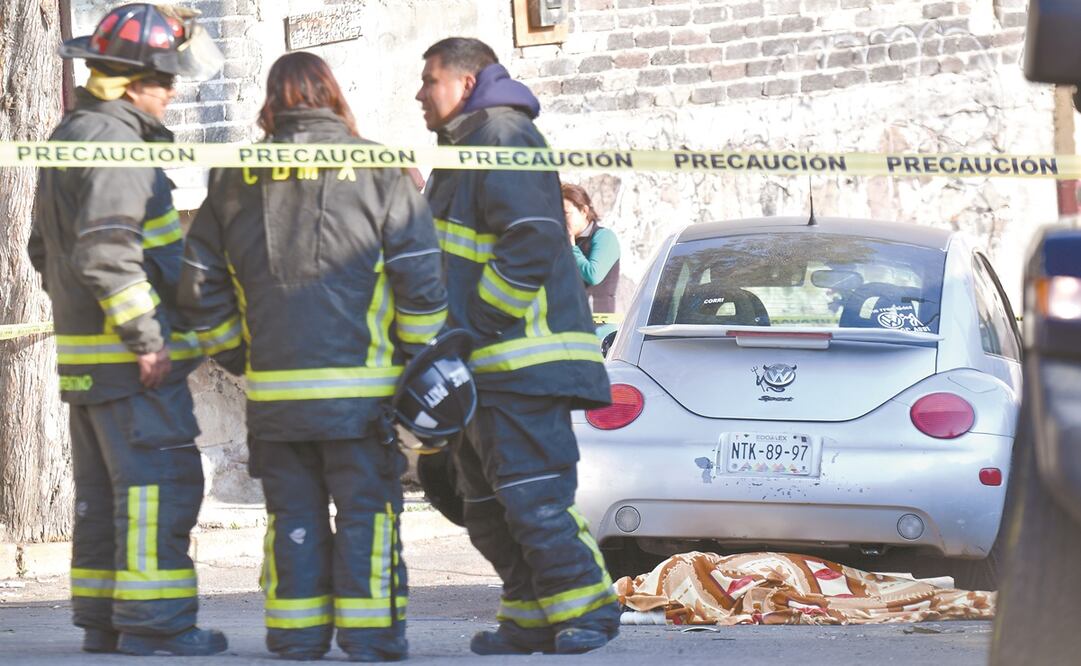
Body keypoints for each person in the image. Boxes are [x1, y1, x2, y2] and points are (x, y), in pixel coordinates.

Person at [178, 52, 447, 662]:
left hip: (276, 395)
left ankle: (297, 637)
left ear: (271, 102)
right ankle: (371, 637)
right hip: (366, 397)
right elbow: (421, 282)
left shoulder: (234, 176)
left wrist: (239, 356)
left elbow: (197, 285)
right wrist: (419, 361)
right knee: (367, 514)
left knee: (291, 514)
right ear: (332, 95)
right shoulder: (379, 169)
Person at [27, 3, 226, 657]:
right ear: (133, 79)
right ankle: (155, 624)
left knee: (105, 497)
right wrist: (146, 336)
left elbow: (41, 250)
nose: (171, 93)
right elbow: (108, 251)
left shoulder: (74, 132)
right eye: (164, 79)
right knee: (157, 487)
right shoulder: (117, 143)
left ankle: (104, 621)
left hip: (88, 360)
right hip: (130, 361)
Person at [415, 37, 620, 656]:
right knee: (486, 506)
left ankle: (590, 610)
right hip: (483, 371)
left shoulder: (503, 136)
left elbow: (530, 241)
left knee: (534, 500)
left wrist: (473, 328)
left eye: (430, 80)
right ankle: (529, 616)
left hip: (519, 365)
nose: (419, 94)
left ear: (468, 83)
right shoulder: (466, 148)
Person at [562, 183, 621, 338]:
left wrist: (571, 247)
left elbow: (593, 274)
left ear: (584, 211)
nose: (561, 220)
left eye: (566, 213)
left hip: (599, 332)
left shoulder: (604, 237)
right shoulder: (565, 242)